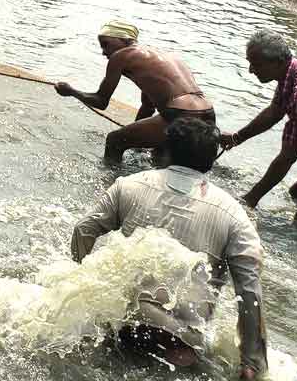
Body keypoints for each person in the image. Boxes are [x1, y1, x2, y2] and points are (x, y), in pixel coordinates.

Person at [72, 118, 267, 380]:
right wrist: (251, 362)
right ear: (211, 161)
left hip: (121, 325)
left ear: (166, 150)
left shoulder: (129, 185)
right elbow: (249, 290)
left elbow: (83, 229)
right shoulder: (234, 215)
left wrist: (81, 285)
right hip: (180, 346)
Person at [55, 21, 215, 161]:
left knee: (114, 141)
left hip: (179, 113)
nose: (104, 52)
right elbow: (148, 107)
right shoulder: (161, 57)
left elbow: (101, 101)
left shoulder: (121, 56)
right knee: (160, 155)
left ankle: (112, 185)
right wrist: (135, 139)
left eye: (105, 44)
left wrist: (71, 91)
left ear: (124, 40)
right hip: (208, 114)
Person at [218, 31, 297, 230]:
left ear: (277, 62)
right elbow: (274, 113)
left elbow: (287, 157)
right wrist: (238, 138)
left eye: (256, 64)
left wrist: (250, 199)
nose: (250, 70)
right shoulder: (292, 71)